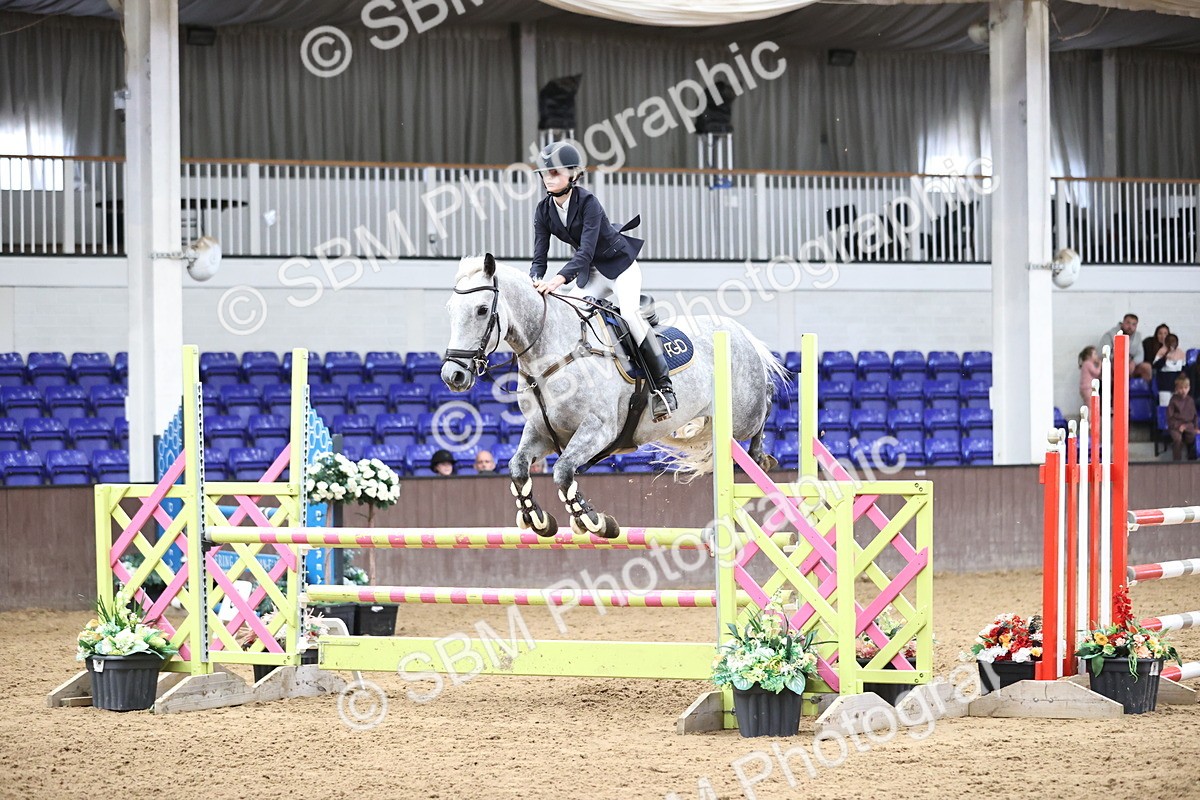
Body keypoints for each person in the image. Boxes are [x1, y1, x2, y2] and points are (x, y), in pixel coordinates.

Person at [529, 141, 677, 422]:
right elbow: (539, 258)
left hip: (620, 269)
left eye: (556, 173)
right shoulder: (543, 210)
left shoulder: (588, 203)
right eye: (545, 173)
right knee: (571, 316)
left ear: (573, 175)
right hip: (593, 274)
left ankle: (663, 388)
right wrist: (534, 283)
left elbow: (584, 252)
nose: (549, 178)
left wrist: (558, 281)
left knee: (631, 316)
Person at [1100, 313, 1151, 381]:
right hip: (1113, 363)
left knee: (1146, 367)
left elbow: (1140, 354)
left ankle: (1143, 390)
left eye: (1133, 324)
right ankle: (1115, 390)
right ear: (1123, 323)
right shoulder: (1109, 335)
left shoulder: (1137, 336)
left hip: (1130, 365)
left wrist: (1133, 362)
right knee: (1116, 365)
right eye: (1128, 323)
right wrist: (1119, 361)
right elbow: (1103, 354)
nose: (1130, 327)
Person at [1166, 375, 1198, 461]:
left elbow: (1194, 416)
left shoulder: (1190, 400)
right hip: (1176, 426)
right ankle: (1177, 461)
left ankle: (1192, 458)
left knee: (1192, 436)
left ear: (1189, 388)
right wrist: (1177, 426)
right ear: (1176, 388)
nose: (1183, 390)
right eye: (1180, 388)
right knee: (1177, 439)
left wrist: (1195, 427)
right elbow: (1170, 417)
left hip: (1188, 425)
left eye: (1186, 388)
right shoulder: (1173, 400)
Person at [1154, 334, 1187, 406]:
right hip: (1164, 384)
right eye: (1170, 341)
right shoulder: (1162, 351)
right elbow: (1156, 366)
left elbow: (1184, 368)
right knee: (1165, 406)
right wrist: (1165, 356)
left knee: (1177, 406)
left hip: (1177, 385)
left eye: (1174, 341)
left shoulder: (1180, 352)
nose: (1172, 343)